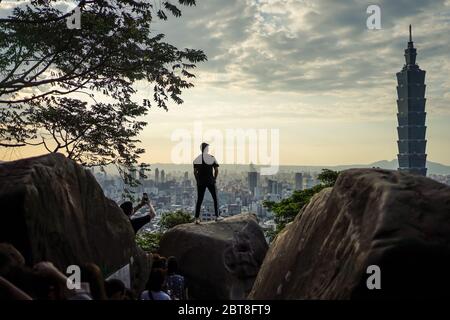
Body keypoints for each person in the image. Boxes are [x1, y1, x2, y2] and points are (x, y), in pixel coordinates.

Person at [193, 142, 221, 224]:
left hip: (201, 182)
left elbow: (195, 172)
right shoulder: (212, 158)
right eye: (208, 148)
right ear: (206, 149)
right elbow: (216, 170)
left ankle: (197, 218)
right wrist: (214, 178)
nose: (208, 149)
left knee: (199, 200)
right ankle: (217, 216)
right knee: (215, 198)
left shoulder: (196, 159)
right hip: (210, 181)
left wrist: (197, 180)